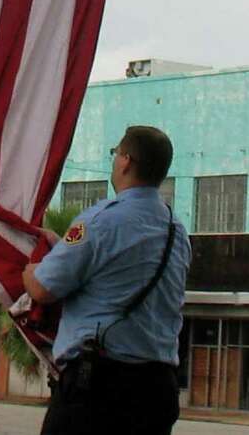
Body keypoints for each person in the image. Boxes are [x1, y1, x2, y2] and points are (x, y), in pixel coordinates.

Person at [22, 124, 191, 435]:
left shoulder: (101, 220)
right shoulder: (175, 231)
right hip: (157, 390)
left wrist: (31, 271)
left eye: (115, 154)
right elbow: (120, 269)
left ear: (126, 160)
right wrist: (64, 248)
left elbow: (43, 288)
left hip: (100, 388)